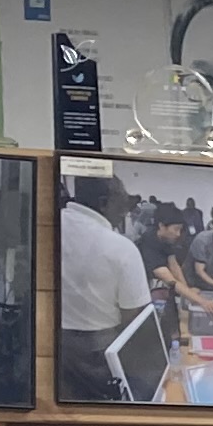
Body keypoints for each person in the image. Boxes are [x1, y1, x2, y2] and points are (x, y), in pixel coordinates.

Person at [55, 173, 151, 403]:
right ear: (104, 202)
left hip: (53, 343)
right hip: (97, 351)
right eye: (122, 203)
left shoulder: (51, 225)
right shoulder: (121, 248)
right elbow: (132, 317)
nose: (125, 212)